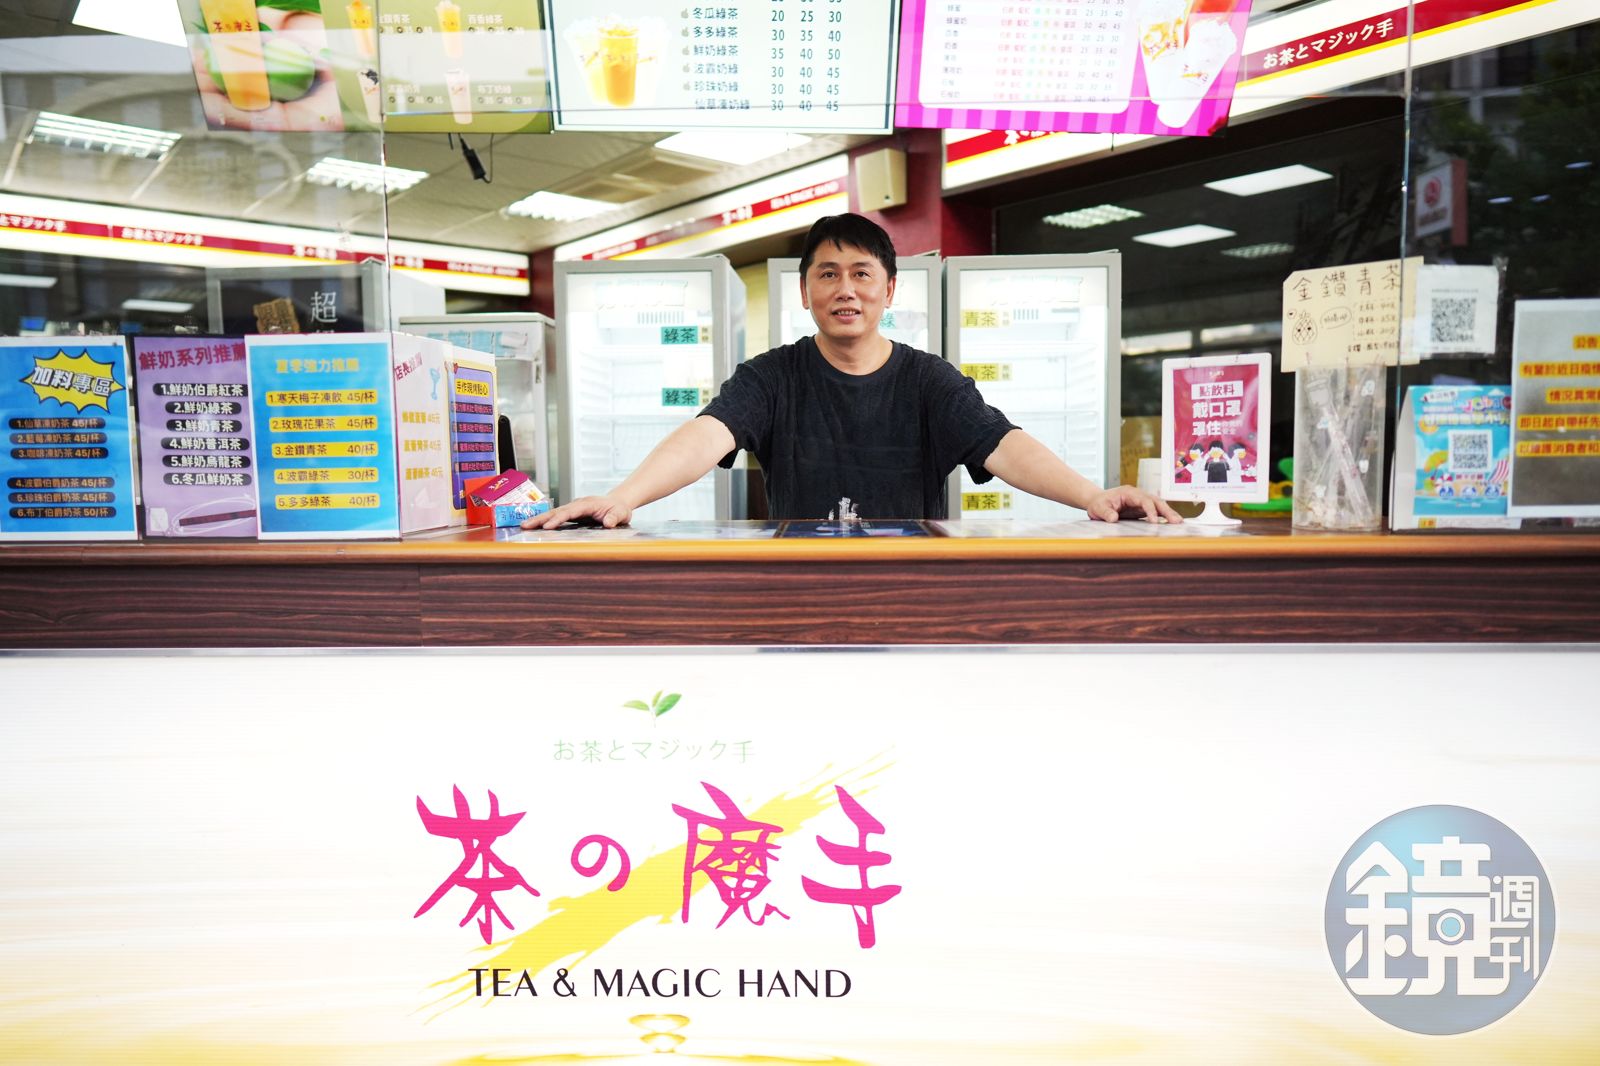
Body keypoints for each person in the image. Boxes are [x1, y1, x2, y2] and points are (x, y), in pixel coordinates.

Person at [531, 213, 1180, 528]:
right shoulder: (772, 377)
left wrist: (1092, 495)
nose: (846, 289)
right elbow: (706, 435)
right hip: (798, 593)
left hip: (911, 592)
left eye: (862, 273)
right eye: (828, 274)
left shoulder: (930, 381)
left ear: (888, 290)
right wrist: (624, 498)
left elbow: (1003, 445)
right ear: (805, 292)